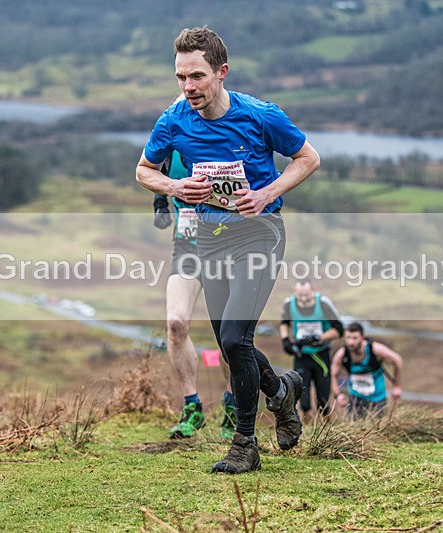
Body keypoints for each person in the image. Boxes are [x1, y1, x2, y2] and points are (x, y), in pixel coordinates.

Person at [136, 26, 320, 473]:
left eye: (196, 76)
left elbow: (308, 158)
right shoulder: (174, 119)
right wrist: (176, 185)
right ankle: (282, 392)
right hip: (208, 237)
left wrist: (266, 192)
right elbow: (144, 170)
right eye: (180, 77)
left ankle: (245, 444)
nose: (187, 87)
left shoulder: (260, 115)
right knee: (230, 342)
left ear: (221, 73)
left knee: (237, 338)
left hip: (260, 233)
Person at [152, 144, 237, 441]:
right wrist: (160, 205)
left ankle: (232, 406)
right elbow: (154, 173)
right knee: (175, 322)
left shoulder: (220, 139)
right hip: (187, 250)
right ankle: (192, 407)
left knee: (229, 335)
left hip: (224, 250)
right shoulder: (170, 144)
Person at [280, 279, 343, 420]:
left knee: (323, 400)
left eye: (306, 295)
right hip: (302, 355)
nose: (303, 298)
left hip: (321, 355)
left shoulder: (324, 303)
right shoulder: (289, 304)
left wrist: (318, 338)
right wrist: (286, 340)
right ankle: (306, 430)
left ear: (313, 290)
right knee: (304, 401)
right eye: (300, 295)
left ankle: (326, 428)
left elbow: (339, 330)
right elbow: (284, 323)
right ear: (294, 290)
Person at [330, 322, 402, 418]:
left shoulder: (375, 350)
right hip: (355, 400)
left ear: (362, 337)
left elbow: (397, 360)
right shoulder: (342, 354)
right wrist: (338, 395)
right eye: (348, 338)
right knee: (353, 429)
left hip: (377, 399)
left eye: (355, 338)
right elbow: (333, 375)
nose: (351, 342)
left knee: (378, 429)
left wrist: (396, 386)